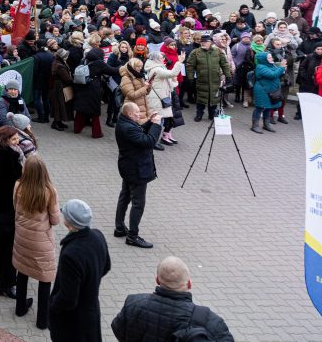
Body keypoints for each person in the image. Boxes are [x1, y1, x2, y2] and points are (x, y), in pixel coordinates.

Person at [111, 256, 234, 341]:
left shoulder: (133, 303)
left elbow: (118, 329)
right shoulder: (209, 320)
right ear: (189, 284)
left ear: (157, 280)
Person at [49, 199, 111, 342]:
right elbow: (106, 265)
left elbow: (68, 298)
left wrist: (52, 305)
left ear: (69, 222)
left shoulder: (70, 254)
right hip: (92, 311)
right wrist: (90, 282)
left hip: (73, 322)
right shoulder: (98, 236)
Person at [12, 155, 60, 329]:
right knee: (44, 278)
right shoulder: (49, 191)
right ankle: (42, 320)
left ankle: (20, 308)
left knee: (23, 272)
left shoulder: (18, 186)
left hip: (22, 237)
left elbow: (15, 208)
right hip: (42, 242)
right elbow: (55, 220)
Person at [114, 101, 162, 249]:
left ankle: (120, 228)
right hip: (136, 170)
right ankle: (132, 236)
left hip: (129, 167)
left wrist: (149, 122)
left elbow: (139, 131)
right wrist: (156, 125)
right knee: (138, 203)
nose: (139, 115)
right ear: (129, 114)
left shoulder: (124, 122)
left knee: (125, 196)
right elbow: (148, 141)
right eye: (136, 113)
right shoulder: (127, 127)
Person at [0, 125, 26, 299]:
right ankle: (7, 284)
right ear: (5, 140)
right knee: (11, 245)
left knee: (5, 239)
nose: (18, 142)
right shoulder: (9, 156)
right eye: (14, 139)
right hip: (8, 206)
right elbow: (17, 178)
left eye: (17, 138)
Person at [185, 33, 232, 122]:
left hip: (215, 80)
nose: (203, 43)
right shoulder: (195, 52)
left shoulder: (218, 51)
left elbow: (224, 64)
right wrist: (190, 77)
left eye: (205, 42)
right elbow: (190, 66)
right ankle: (199, 114)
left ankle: (211, 115)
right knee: (201, 98)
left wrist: (228, 75)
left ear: (210, 42)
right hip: (202, 80)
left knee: (214, 99)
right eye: (202, 41)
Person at [251, 51, 286, 133]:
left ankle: (266, 124)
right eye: (269, 57)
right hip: (262, 90)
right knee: (260, 107)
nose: (272, 58)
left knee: (268, 107)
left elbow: (277, 73)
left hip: (270, 90)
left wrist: (282, 68)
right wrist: (281, 67)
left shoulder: (271, 65)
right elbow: (272, 75)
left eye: (271, 57)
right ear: (264, 59)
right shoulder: (261, 67)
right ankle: (255, 126)